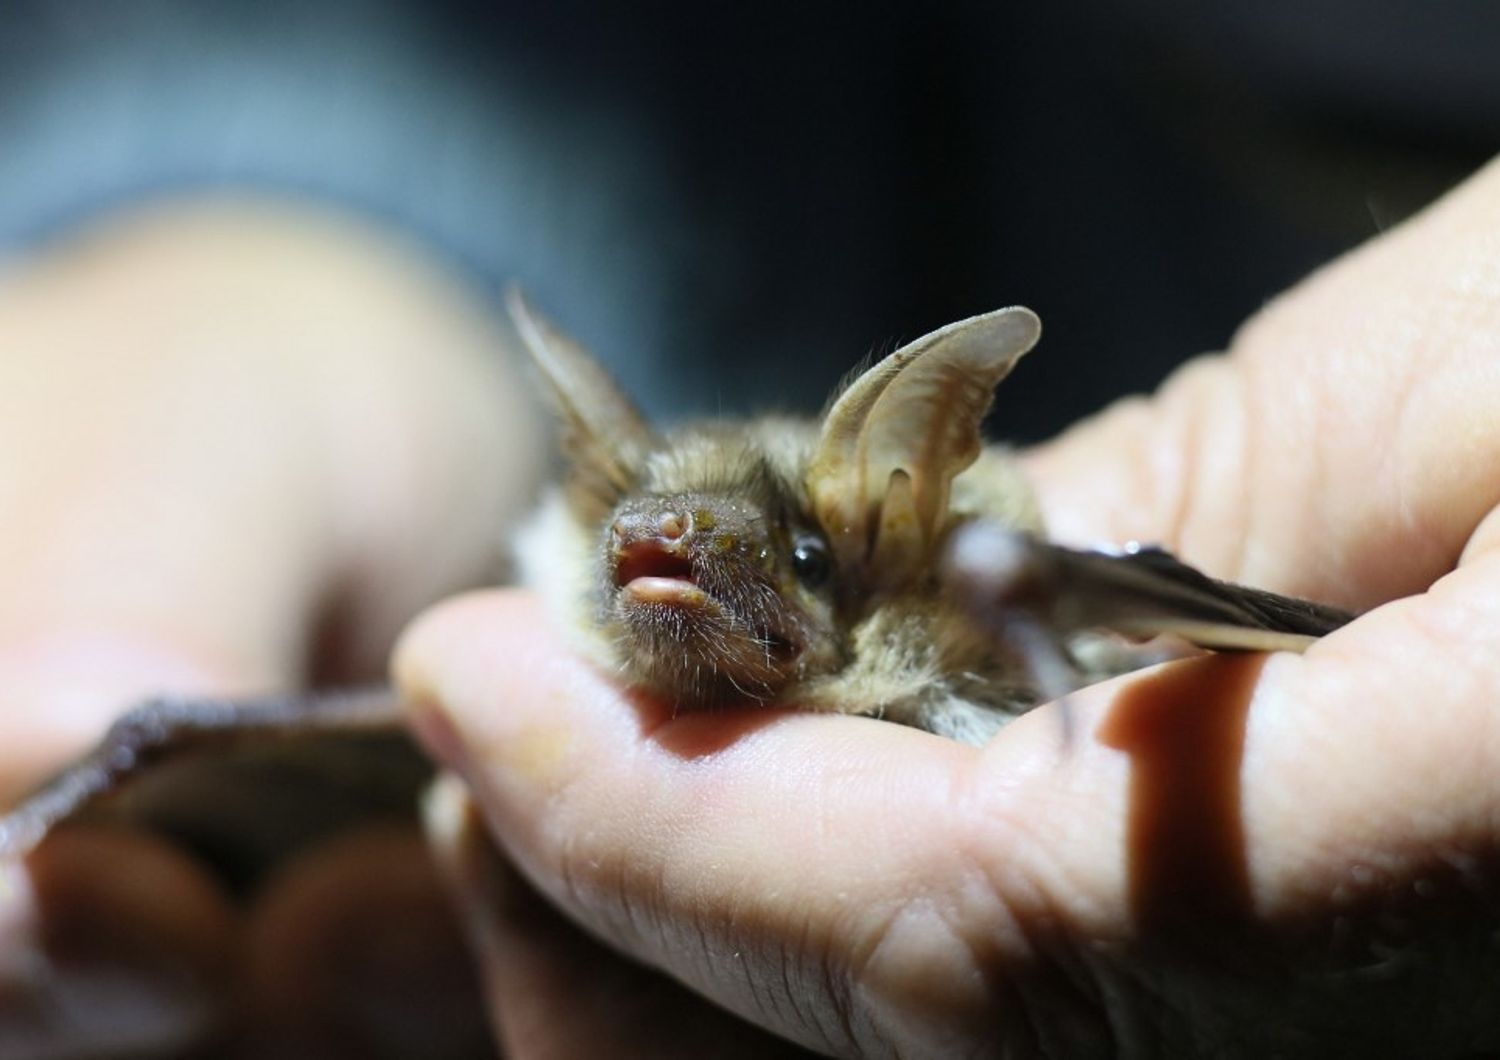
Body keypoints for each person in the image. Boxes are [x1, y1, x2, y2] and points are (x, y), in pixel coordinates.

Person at [4, 147, 1500, 1055]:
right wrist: (277, 257)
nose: (667, 562)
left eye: (776, 564)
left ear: (882, 545)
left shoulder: (986, 600)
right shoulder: (541, 648)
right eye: (639, 536)